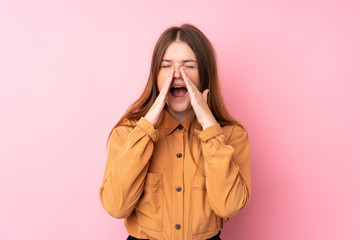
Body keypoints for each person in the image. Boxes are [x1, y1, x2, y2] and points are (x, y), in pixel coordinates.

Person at [99, 23, 251, 240]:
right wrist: (146, 126)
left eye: (189, 66)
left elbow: (228, 206)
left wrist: (209, 125)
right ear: (155, 75)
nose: (177, 74)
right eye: (166, 66)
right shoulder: (127, 133)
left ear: (205, 74)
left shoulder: (232, 136)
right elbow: (116, 207)